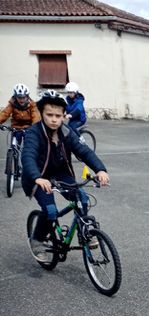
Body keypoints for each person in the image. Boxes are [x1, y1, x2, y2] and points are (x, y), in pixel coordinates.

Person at [21, 91, 109, 260]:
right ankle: (37, 240)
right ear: (42, 114)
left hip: (60, 173)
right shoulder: (34, 133)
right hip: (38, 177)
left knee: (82, 198)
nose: (54, 119)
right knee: (51, 211)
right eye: (49, 115)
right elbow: (28, 156)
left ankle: (86, 234)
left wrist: (100, 169)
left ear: (63, 116)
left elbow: (84, 151)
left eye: (58, 115)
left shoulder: (67, 132)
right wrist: (37, 177)